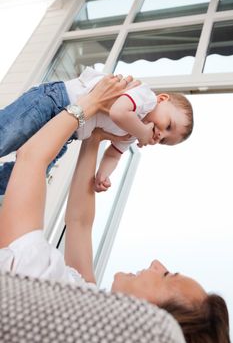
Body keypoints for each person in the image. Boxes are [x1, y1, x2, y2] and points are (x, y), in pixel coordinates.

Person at [0, 77, 230, 343]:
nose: (157, 263)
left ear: (151, 321)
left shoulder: (46, 287)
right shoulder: (85, 309)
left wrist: (89, 103)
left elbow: (31, 158)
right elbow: (79, 222)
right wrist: (95, 138)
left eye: (167, 276)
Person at [0, 67, 193, 195]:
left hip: (66, 133)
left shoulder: (131, 134)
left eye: (164, 140)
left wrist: (103, 174)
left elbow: (114, 155)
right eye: (168, 126)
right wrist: (143, 131)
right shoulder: (146, 98)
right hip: (54, 102)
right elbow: (119, 112)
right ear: (162, 99)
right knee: (5, 136)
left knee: (23, 180)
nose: (161, 135)